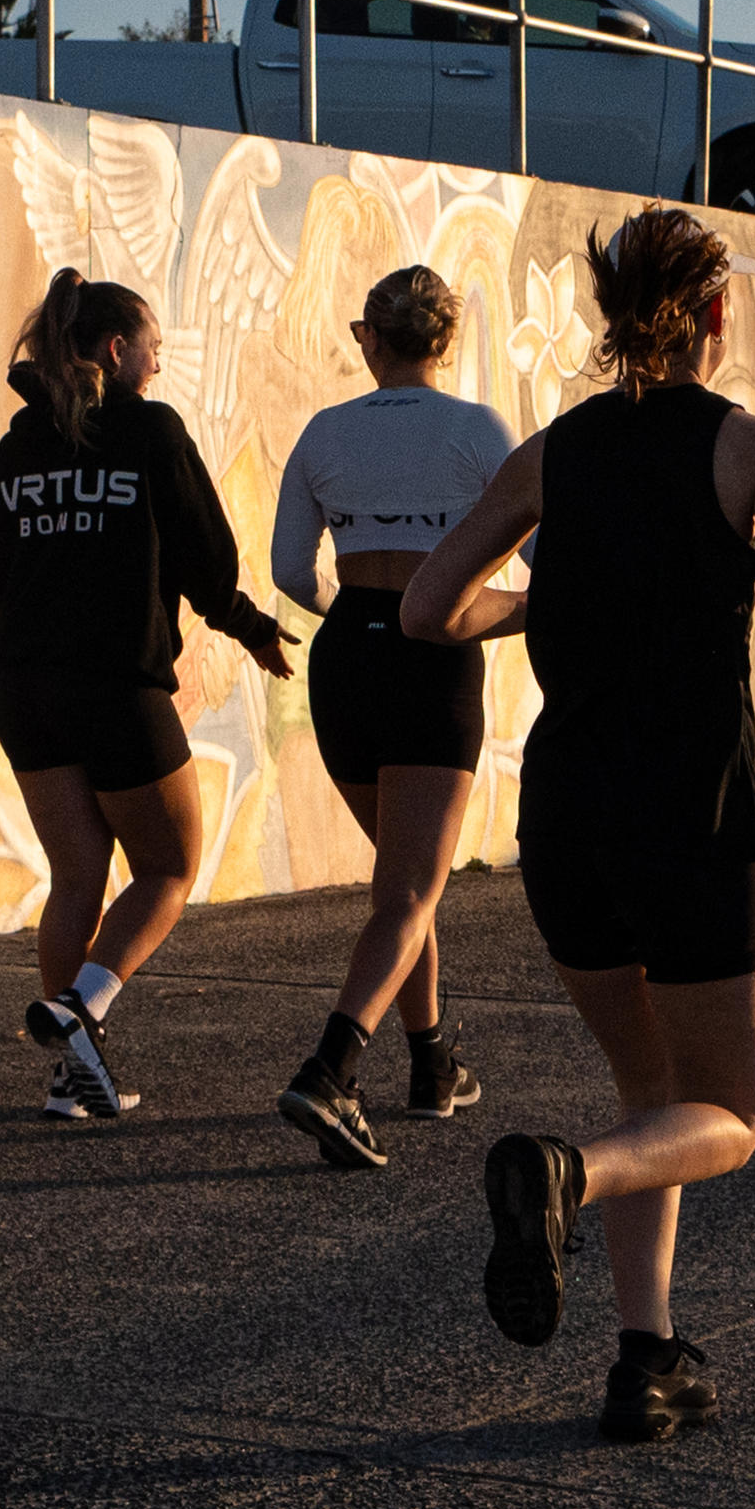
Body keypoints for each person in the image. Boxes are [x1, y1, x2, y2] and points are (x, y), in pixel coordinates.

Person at [403, 209, 755, 1446]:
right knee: (735, 1113)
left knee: (648, 1086)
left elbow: (428, 610)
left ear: (610, 320)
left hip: (568, 813)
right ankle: (561, 1174)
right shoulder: (747, 444)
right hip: (691, 809)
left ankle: (644, 1358)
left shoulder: (552, 454)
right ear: (711, 315)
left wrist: (539, 607)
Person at [0, 268, 293, 1119]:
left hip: (25, 693)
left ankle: (73, 1076)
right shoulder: (151, 432)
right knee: (172, 864)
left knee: (77, 875)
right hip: (114, 689)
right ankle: (83, 1006)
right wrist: (253, 628)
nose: (160, 361)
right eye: (155, 346)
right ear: (118, 349)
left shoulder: (19, 445)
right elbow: (207, 563)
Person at [267, 264, 510, 1166]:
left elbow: (293, 570)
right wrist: (509, 609)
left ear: (369, 338)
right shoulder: (479, 429)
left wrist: (357, 614)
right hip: (433, 654)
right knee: (410, 887)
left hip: (348, 653)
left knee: (405, 882)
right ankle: (332, 1071)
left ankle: (432, 1063)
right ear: (445, 341)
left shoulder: (325, 431)